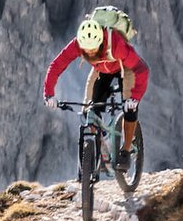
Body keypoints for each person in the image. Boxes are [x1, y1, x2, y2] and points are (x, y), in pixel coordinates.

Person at [43, 14, 150, 152]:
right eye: (86, 51)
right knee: (90, 110)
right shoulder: (78, 44)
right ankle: (97, 149)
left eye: (93, 50)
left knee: (129, 109)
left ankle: (127, 149)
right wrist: (49, 93)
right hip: (102, 70)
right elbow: (57, 65)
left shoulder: (117, 45)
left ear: (100, 42)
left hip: (125, 68)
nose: (90, 54)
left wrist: (135, 98)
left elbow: (141, 69)